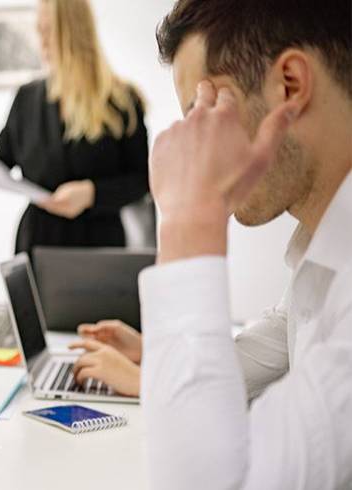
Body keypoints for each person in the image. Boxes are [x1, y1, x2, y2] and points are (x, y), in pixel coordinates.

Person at [70, 1, 351, 488]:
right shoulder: (325, 244)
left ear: (290, 86)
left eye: (206, 112)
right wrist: (159, 360)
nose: (194, 140)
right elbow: (285, 333)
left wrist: (188, 218)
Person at [0, 0, 149, 256]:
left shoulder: (122, 101)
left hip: (99, 248)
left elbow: (142, 180)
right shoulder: (26, 99)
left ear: (75, 32)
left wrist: (91, 194)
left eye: (48, 31)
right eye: (39, 30)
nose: (41, 41)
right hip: (37, 245)